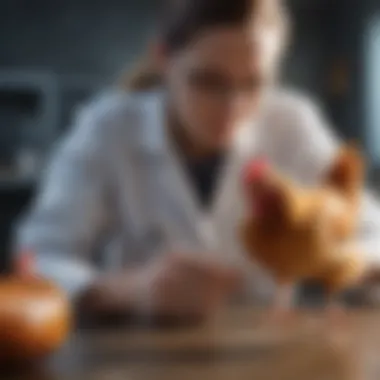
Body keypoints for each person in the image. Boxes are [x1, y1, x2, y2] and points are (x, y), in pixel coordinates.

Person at [13, 0, 380, 321]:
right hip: (140, 356)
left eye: (254, 83)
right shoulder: (106, 129)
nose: (232, 108)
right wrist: (129, 291)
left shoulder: (293, 122)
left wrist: (333, 259)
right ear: (164, 59)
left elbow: (372, 233)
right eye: (208, 81)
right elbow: (37, 254)